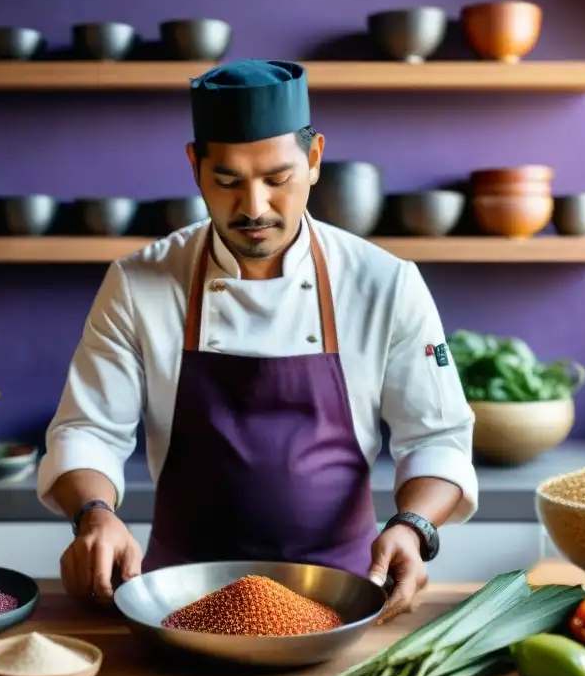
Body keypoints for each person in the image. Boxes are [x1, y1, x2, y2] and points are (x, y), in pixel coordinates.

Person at [38, 59, 478, 623]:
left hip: (346, 594)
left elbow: (437, 435)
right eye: (227, 181)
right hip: (178, 597)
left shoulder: (385, 282)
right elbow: (88, 429)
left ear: (314, 159)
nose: (253, 207)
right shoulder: (138, 283)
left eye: (277, 178)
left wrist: (413, 529)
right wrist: (95, 513)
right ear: (195, 167)